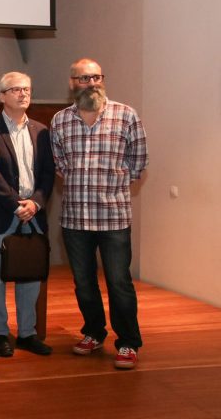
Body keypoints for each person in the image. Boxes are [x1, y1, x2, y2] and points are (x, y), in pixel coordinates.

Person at [50, 58, 149, 369]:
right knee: (83, 282)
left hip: (113, 217)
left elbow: (138, 162)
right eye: (84, 78)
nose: (91, 83)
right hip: (75, 219)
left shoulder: (126, 115)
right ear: (72, 83)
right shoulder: (60, 121)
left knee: (119, 281)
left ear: (102, 79)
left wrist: (111, 186)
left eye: (96, 77)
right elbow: (60, 165)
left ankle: (128, 342)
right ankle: (93, 332)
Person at [0, 72, 55, 357]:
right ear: (2, 96)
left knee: (30, 275)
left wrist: (35, 203)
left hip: (33, 214)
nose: (23, 94)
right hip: (2, 212)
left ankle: (27, 333)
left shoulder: (41, 130)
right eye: (16, 90)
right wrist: (15, 204)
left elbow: (48, 173)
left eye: (27, 89)